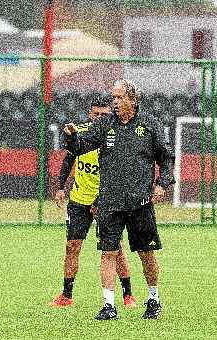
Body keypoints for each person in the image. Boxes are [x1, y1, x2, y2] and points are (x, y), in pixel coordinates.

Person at [63, 79, 175, 320]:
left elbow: (166, 159)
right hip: (109, 202)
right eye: (112, 97)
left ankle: (153, 298)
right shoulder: (105, 124)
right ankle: (108, 305)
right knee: (108, 252)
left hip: (140, 202)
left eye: (118, 97)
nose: (114, 101)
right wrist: (72, 138)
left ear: (132, 100)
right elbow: (82, 146)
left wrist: (162, 184)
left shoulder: (150, 125)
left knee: (146, 253)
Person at [48, 95, 137, 309]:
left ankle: (128, 295)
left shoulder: (117, 136)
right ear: (90, 114)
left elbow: (120, 173)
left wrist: (101, 199)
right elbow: (69, 157)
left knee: (115, 249)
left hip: (106, 202)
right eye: (95, 114)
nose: (98, 118)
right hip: (79, 200)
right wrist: (61, 187)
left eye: (103, 114)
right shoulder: (81, 133)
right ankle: (66, 296)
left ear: (111, 114)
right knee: (72, 246)